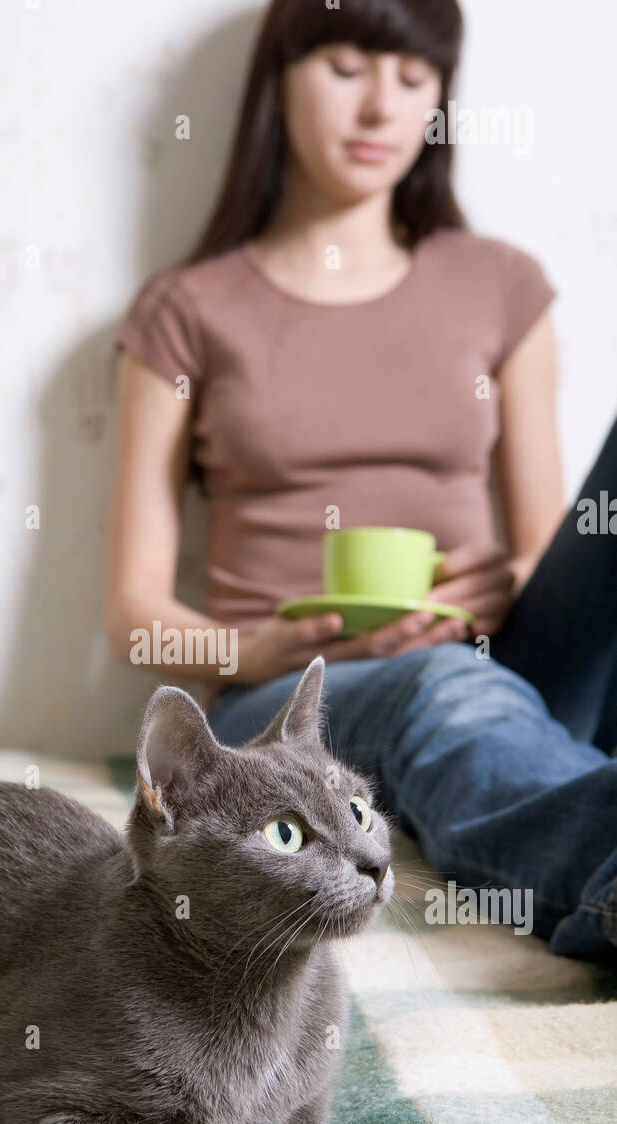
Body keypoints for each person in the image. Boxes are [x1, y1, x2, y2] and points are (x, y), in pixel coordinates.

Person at [104, 0, 617, 965]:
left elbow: (556, 553)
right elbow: (133, 613)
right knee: (442, 687)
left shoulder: (503, 283)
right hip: (295, 705)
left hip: (500, 658)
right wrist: (261, 647)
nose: (384, 105)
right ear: (278, 81)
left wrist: (503, 582)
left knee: (466, 674)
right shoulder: (187, 311)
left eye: (415, 78)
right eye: (347, 67)